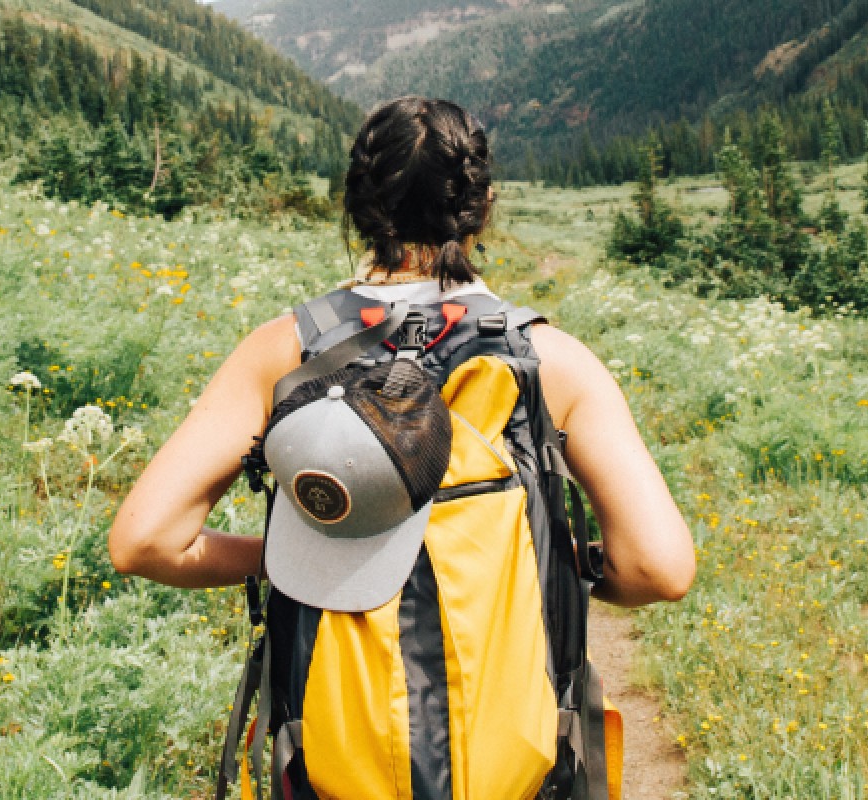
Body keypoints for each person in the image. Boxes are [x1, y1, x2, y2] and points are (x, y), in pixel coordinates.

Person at [108, 96, 695, 610]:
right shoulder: (552, 359)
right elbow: (658, 569)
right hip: (512, 734)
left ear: (357, 209)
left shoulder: (285, 349)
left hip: (329, 731)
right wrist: (540, 561)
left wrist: (290, 562)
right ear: (483, 207)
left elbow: (145, 541)